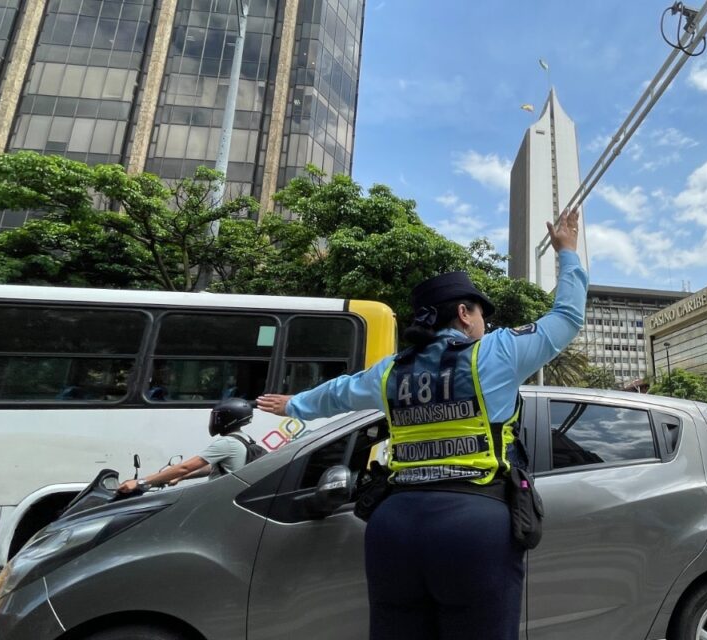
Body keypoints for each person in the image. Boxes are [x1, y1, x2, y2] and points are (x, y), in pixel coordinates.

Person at [255, 209, 586, 640]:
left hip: (394, 527)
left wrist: (292, 405)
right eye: (481, 314)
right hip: (474, 524)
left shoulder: (392, 370)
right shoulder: (496, 353)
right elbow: (567, 318)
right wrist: (567, 253)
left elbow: (339, 393)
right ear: (465, 313)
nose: (486, 323)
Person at [118, 398, 258, 492]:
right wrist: (182, 477)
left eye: (218, 417)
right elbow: (211, 468)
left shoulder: (227, 443)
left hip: (220, 500)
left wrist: (140, 482)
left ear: (229, 419)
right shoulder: (244, 439)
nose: (215, 421)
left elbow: (184, 467)